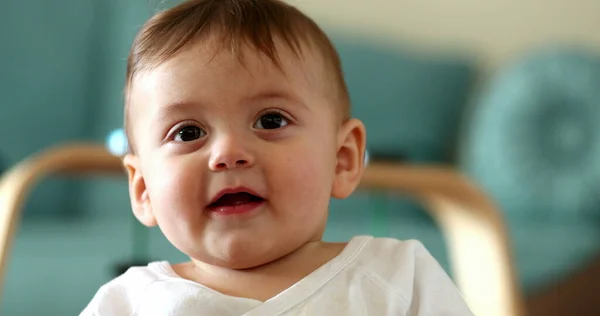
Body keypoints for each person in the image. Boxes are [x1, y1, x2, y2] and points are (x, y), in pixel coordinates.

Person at [81, 0, 473, 314]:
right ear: (143, 188)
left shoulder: (398, 278)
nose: (228, 153)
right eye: (188, 133)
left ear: (342, 158)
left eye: (270, 120)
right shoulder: (128, 303)